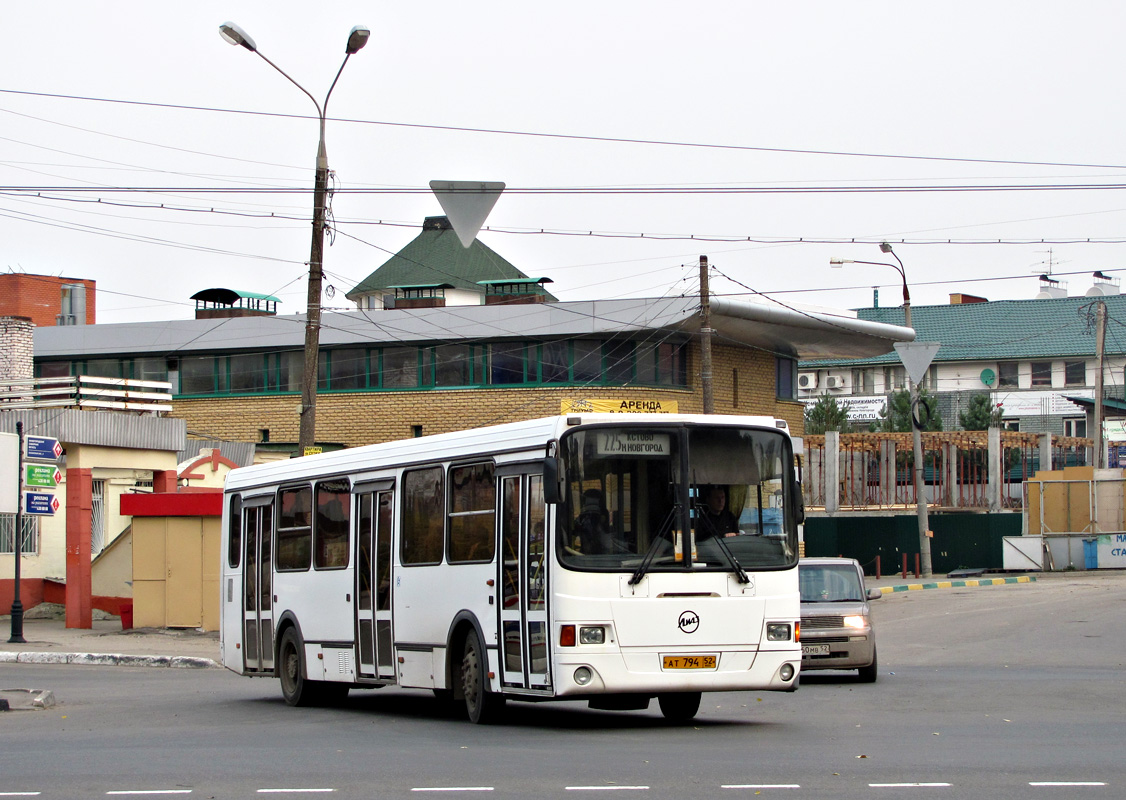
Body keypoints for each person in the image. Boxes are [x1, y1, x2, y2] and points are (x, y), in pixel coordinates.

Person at [574, 488, 613, 553]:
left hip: (601, 548)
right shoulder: (583, 515)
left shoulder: (603, 513)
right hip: (587, 548)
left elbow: (603, 530)